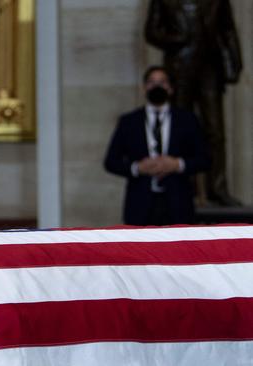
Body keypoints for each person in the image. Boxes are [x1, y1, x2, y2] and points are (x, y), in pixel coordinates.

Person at [145, 0, 243, 206]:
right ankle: (185, 187)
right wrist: (176, 39)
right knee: (180, 130)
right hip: (180, 67)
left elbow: (228, 30)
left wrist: (234, 63)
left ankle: (217, 188)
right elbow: (152, 31)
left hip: (210, 67)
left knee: (215, 130)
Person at [104, 66, 210, 226]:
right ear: (144, 88)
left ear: (171, 88)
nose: (157, 86)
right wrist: (137, 168)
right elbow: (111, 161)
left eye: (162, 82)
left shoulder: (187, 120)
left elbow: (205, 159)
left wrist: (177, 164)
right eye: (152, 82)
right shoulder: (129, 121)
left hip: (178, 205)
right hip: (139, 204)